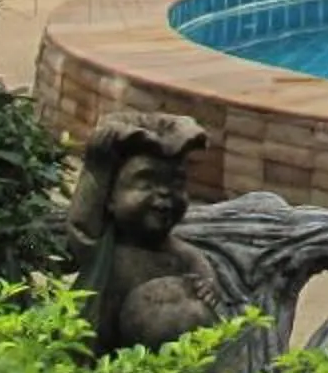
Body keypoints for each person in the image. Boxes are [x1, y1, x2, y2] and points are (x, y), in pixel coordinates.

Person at [69, 112, 226, 357]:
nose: (164, 194)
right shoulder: (102, 249)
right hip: (100, 359)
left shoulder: (183, 256)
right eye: (146, 183)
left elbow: (204, 281)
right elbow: (81, 227)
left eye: (176, 184)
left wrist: (207, 287)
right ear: (109, 197)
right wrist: (96, 169)